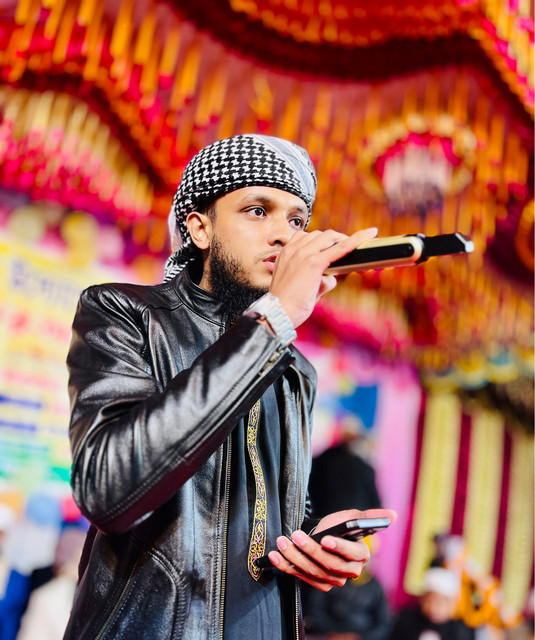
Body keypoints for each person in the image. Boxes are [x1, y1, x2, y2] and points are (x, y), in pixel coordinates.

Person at [63, 134, 395, 640]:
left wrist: (316, 543)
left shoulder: (294, 369)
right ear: (200, 228)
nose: (284, 235)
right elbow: (109, 489)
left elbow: (265, 516)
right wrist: (274, 320)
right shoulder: (125, 313)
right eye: (258, 211)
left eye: (296, 220)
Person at [389, 567, 475, 640]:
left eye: (439, 603)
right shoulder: (407, 620)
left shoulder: (460, 631)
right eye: (429, 601)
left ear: (451, 605)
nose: (433, 608)